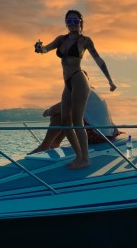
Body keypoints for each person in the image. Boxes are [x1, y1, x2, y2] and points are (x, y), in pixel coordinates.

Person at [34, 10, 116, 169]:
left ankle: (85, 159)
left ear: (81, 22)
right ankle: (79, 157)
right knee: (66, 121)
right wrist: (39, 48)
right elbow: (45, 49)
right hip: (67, 83)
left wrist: (110, 81)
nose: (72, 24)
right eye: (69, 21)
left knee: (77, 121)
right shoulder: (61, 39)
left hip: (79, 78)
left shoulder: (85, 40)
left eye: (75, 21)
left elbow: (99, 60)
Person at [29, 89, 119, 154]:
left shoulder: (82, 91)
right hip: (109, 134)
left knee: (62, 114)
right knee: (68, 113)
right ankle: (54, 143)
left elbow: (59, 108)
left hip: (98, 136)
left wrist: (48, 111)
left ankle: (45, 145)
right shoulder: (94, 92)